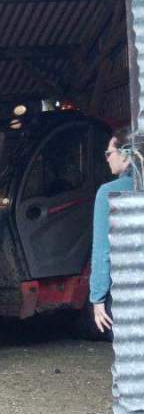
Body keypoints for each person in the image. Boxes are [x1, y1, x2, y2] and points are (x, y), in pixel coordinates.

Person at [90, 127, 136, 334]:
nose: (107, 158)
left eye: (109, 153)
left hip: (128, 291)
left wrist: (97, 298)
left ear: (125, 155)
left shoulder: (109, 192)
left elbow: (102, 249)